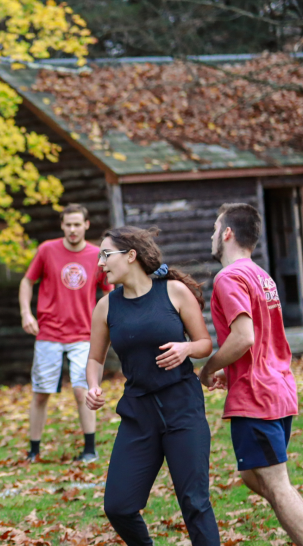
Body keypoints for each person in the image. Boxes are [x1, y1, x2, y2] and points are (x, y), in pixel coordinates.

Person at [85, 226, 220, 546]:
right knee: (117, 506)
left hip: (182, 406)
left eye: (106, 254)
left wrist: (186, 349)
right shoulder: (106, 306)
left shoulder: (173, 291)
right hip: (138, 413)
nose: (100, 263)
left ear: (130, 256)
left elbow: (203, 343)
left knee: (195, 503)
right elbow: (95, 359)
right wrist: (92, 386)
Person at [200, 203, 303, 546]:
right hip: (277, 387)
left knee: (276, 484)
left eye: (214, 229)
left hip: (258, 395)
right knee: (252, 476)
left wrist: (209, 367)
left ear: (226, 233)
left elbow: (244, 337)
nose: (211, 236)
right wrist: (232, 367)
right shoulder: (261, 275)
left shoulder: (229, 277)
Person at [19, 204, 113, 463]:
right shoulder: (47, 250)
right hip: (49, 332)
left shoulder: (97, 255)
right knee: (41, 392)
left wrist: (109, 324)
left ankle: (89, 448)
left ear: (86, 225)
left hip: (84, 333)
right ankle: (34, 450)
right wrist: (26, 313)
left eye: (77, 224)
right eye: (68, 224)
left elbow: (109, 292)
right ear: (62, 225)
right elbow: (27, 281)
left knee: (83, 390)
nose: (72, 229)